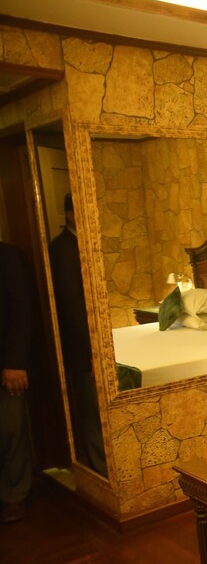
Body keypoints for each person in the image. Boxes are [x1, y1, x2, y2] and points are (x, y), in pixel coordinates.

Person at [49, 193, 107, 476]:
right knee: (90, 407)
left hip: (93, 342)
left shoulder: (84, 245)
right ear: (71, 215)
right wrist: (91, 351)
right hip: (82, 346)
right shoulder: (62, 249)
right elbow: (72, 307)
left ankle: (102, 460)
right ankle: (98, 467)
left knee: (95, 406)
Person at [0, 241, 34, 522]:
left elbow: (20, 310)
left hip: (6, 366)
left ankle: (15, 494)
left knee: (10, 430)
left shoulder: (8, 257)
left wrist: (14, 362)